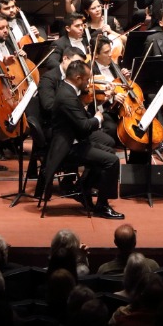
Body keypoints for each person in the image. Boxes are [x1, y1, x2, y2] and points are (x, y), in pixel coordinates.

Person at [42, 57, 123, 217]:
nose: (88, 83)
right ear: (78, 78)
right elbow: (85, 126)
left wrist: (105, 105)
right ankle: (102, 205)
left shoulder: (68, 90)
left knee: (109, 152)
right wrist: (98, 119)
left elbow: (84, 117)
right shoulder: (67, 97)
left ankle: (82, 189)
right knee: (112, 161)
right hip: (67, 149)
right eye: (87, 79)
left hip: (76, 141)